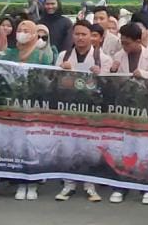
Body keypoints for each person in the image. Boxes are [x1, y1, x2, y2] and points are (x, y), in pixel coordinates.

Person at [105, 22, 148, 205]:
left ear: (139, 41)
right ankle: (121, 185)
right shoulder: (118, 56)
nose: (124, 46)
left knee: (146, 146)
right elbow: (111, 83)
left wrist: (146, 74)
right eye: (122, 42)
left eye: (127, 43)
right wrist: (113, 71)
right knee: (125, 146)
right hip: (125, 107)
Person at [54, 20, 105, 203]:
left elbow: (110, 88)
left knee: (90, 149)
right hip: (69, 110)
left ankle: (90, 185)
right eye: (77, 34)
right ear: (72, 36)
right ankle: (69, 184)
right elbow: (53, 85)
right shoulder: (63, 57)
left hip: (92, 112)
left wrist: (101, 75)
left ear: (92, 36)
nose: (80, 38)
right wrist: (62, 73)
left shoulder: (102, 58)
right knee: (69, 148)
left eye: (84, 34)